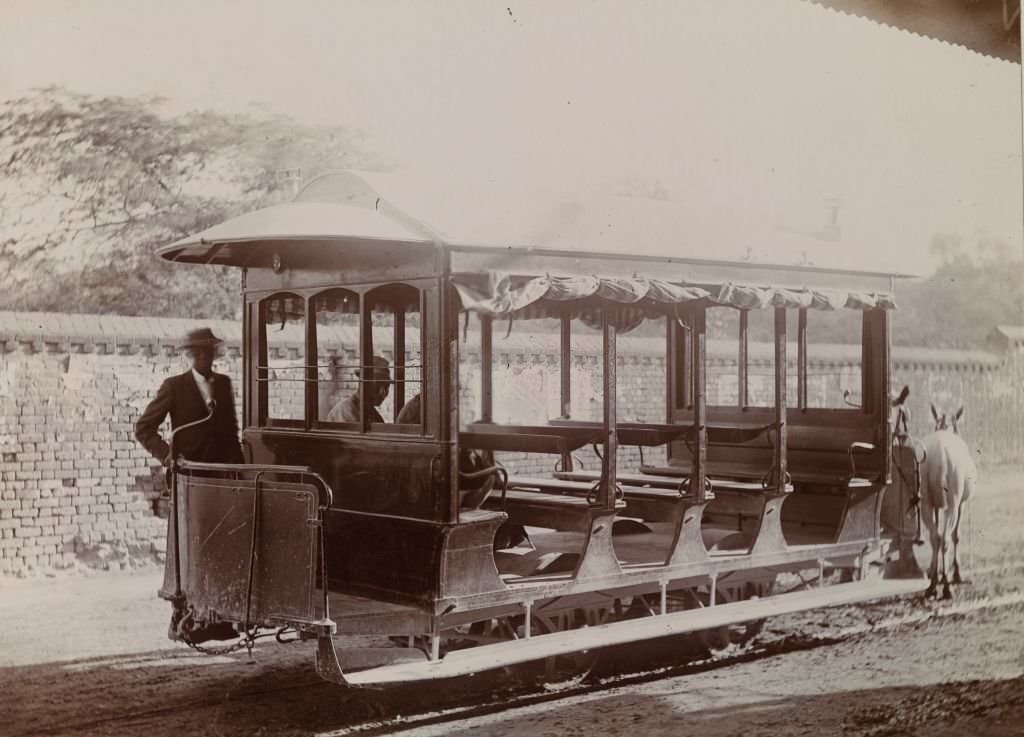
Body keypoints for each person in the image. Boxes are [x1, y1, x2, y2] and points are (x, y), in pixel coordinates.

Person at [134, 327, 244, 466]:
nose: (203, 356)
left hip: (222, 472)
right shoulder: (174, 386)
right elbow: (144, 428)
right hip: (188, 472)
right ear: (189, 354)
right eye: (197, 352)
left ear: (214, 353)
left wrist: (240, 468)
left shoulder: (223, 383)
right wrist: (167, 455)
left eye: (207, 350)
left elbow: (231, 430)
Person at [326, 355, 391, 423]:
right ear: (364, 384)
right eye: (378, 385)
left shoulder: (374, 415)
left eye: (387, 386)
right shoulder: (346, 411)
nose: (383, 392)